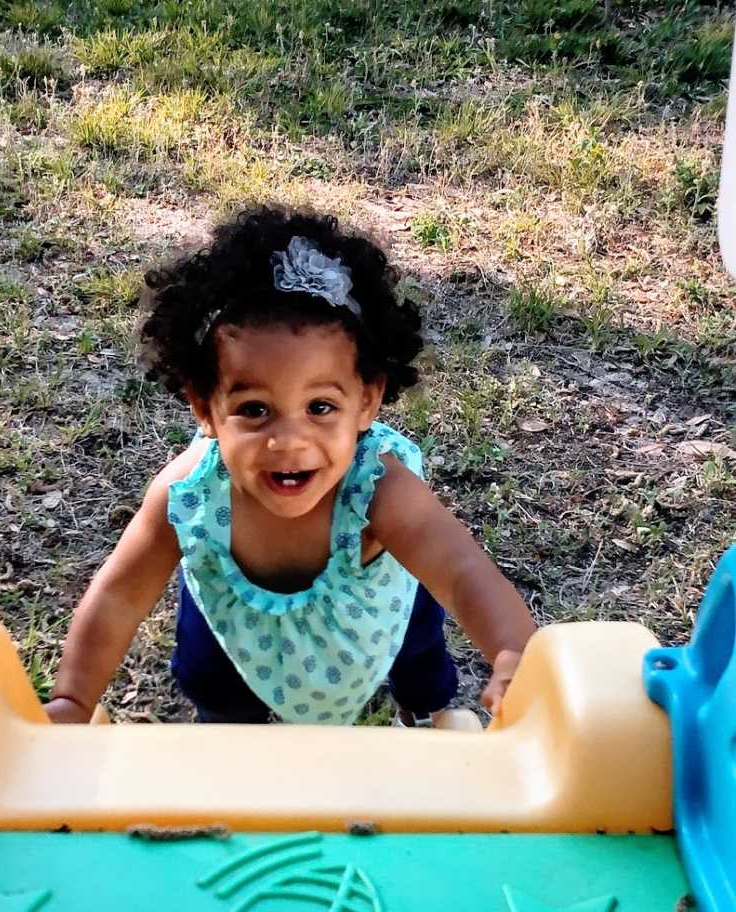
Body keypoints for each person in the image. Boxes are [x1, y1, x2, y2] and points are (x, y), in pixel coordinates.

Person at [46, 207, 536, 727]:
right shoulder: (187, 496)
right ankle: (231, 740)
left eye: (320, 408)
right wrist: (72, 701)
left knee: (416, 647)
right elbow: (119, 596)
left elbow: (460, 575)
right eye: (255, 410)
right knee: (209, 678)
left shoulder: (380, 492)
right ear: (205, 408)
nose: (287, 441)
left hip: (370, 609)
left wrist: (516, 653)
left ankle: (424, 709)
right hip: (232, 624)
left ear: (367, 402)